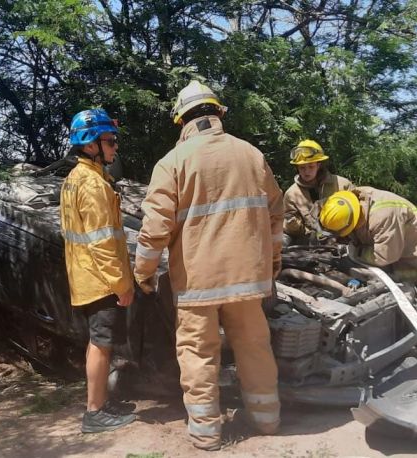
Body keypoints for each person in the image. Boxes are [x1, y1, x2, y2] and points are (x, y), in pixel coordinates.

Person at [133, 81, 283, 451]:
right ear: (219, 113)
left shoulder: (173, 162)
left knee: (198, 354)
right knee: (254, 348)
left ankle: (206, 433)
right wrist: (273, 261)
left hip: (198, 283)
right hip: (249, 279)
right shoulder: (251, 154)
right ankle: (267, 420)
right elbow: (275, 213)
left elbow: (155, 229)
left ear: (181, 119)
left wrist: (144, 272)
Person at [60, 108, 136, 433]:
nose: (114, 146)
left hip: (88, 277)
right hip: (100, 279)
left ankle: (102, 402)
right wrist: (122, 284)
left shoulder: (78, 179)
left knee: (100, 342)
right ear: (91, 144)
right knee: (101, 343)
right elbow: (103, 242)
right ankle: (94, 412)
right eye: (110, 140)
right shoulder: (91, 185)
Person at [319, 187, 417, 289]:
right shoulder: (353, 200)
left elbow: (385, 256)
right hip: (394, 248)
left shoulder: (383, 217)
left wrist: (357, 252)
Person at [283, 139, 354, 245]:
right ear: (297, 167)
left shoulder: (342, 184)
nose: (306, 172)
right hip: (310, 244)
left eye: (311, 166)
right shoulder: (292, 194)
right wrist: (293, 224)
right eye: (302, 167)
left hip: (344, 239)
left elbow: (357, 211)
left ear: (319, 165)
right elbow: (292, 230)